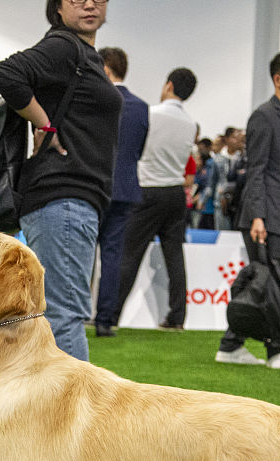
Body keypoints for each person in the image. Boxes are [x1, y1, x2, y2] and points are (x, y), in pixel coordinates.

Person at [0, 0, 122, 361]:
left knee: (51, 316)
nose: (90, 4)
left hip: (69, 199)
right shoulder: (64, 46)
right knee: (64, 317)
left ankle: (40, 412)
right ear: (58, 8)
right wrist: (45, 123)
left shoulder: (83, 53)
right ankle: (72, 417)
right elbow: (7, 73)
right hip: (63, 196)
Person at [214, 50, 280, 371]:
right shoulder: (265, 116)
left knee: (266, 283)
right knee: (270, 285)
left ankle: (231, 344)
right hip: (263, 216)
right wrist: (257, 216)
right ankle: (276, 351)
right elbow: (257, 170)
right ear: (278, 79)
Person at [115, 67, 198, 331]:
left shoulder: (150, 114)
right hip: (175, 193)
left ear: (168, 85)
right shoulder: (191, 124)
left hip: (148, 189)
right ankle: (177, 318)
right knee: (175, 256)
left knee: (129, 253)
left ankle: (111, 313)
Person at [91, 45, 148, 338]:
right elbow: (138, 150)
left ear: (106, 69)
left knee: (84, 253)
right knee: (112, 256)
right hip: (125, 188)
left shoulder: (98, 99)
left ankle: (76, 316)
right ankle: (105, 320)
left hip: (95, 185)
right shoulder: (141, 106)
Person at [191, 138, 219, 230]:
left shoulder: (212, 164)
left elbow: (209, 186)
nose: (200, 151)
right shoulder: (201, 167)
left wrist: (201, 199)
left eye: (202, 148)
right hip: (198, 207)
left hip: (208, 207)